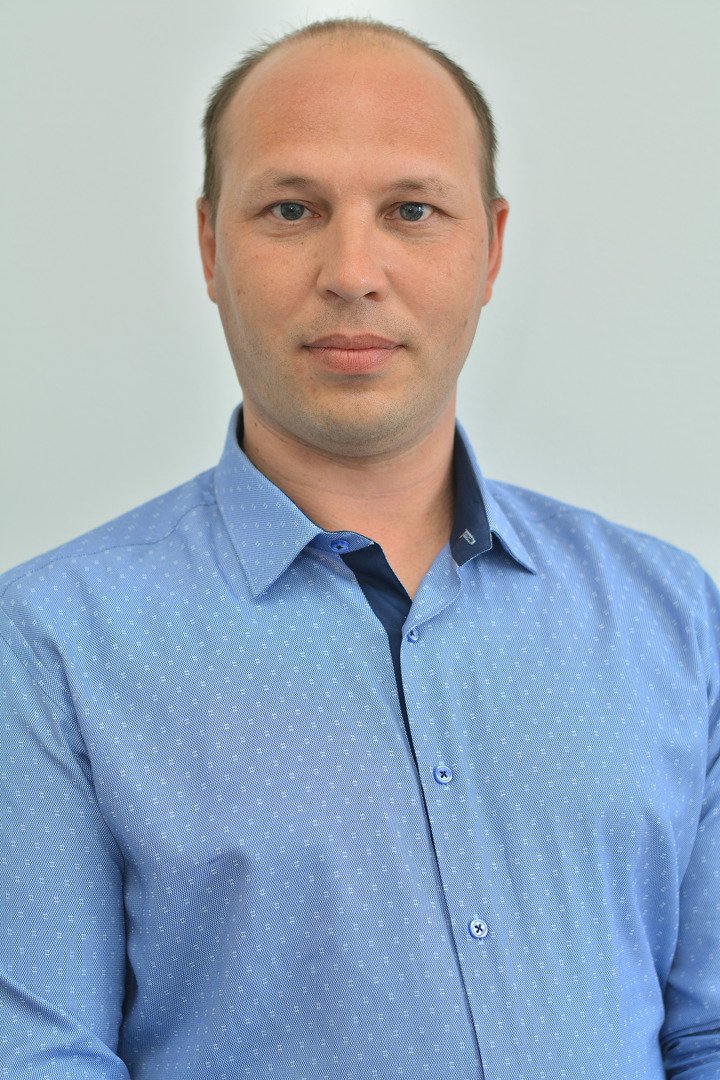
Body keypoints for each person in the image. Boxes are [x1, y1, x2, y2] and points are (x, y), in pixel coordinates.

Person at [1, 16, 718, 1079]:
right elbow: (40, 1057)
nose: (352, 270)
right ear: (210, 247)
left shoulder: (672, 614)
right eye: (292, 210)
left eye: (411, 210)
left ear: (491, 247)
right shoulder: (51, 644)